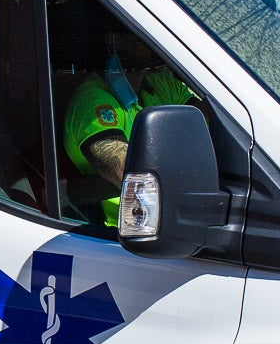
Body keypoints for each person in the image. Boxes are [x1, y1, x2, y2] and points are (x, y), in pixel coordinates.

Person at [61, 46, 196, 226]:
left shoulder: (162, 84)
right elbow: (128, 170)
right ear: (114, 41)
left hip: (170, 218)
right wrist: (191, 165)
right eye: (143, 35)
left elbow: (211, 127)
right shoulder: (92, 99)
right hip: (122, 233)